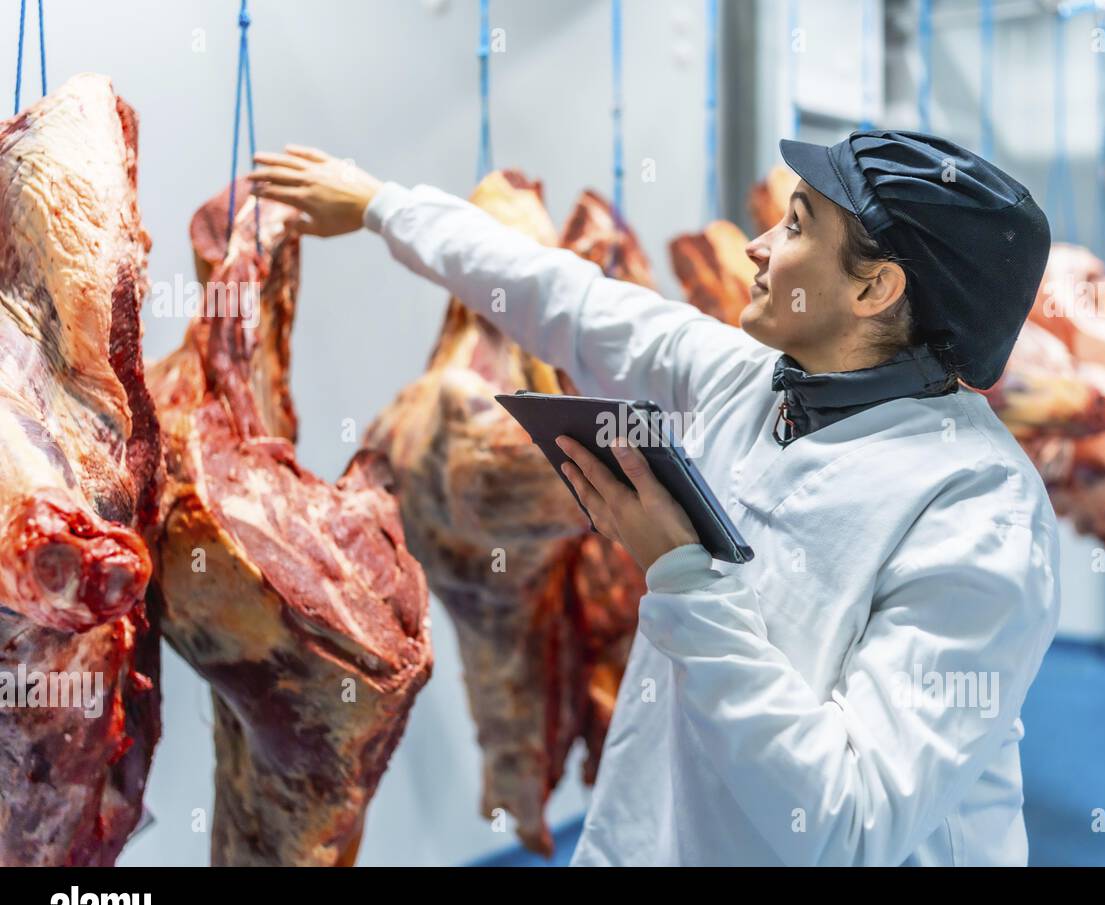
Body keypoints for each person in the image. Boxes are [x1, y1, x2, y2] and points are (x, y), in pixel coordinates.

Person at [249, 129, 1060, 866]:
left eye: (799, 226)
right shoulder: (750, 381)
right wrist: (380, 206)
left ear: (876, 288)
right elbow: (565, 299)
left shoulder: (977, 512)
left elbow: (846, 821)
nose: (757, 246)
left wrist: (683, 573)